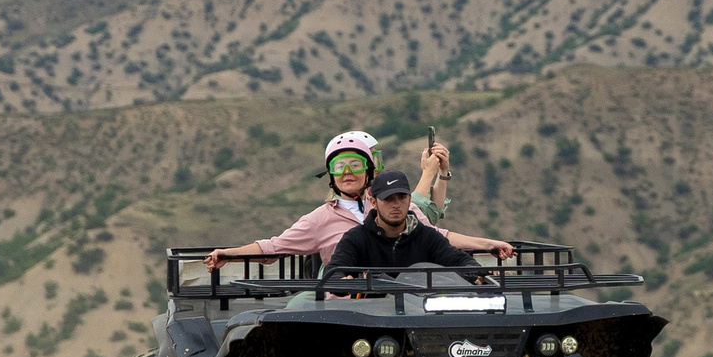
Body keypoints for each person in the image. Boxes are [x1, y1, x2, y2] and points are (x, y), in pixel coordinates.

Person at [205, 130, 512, 273]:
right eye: (339, 166)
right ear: (330, 174)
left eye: (355, 164)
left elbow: (437, 236)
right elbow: (273, 247)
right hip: (350, 306)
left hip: (404, 298)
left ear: (369, 170)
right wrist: (228, 254)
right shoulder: (320, 219)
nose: (347, 172)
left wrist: (487, 244)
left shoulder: (393, 206)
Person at [324, 169, 490, 277]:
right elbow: (333, 271)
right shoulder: (356, 238)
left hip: (419, 314)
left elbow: (459, 260)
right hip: (369, 316)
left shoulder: (427, 236)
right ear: (373, 202)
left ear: (409, 199)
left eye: (402, 197)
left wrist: (478, 274)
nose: (396, 204)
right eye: (388, 199)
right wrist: (344, 280)